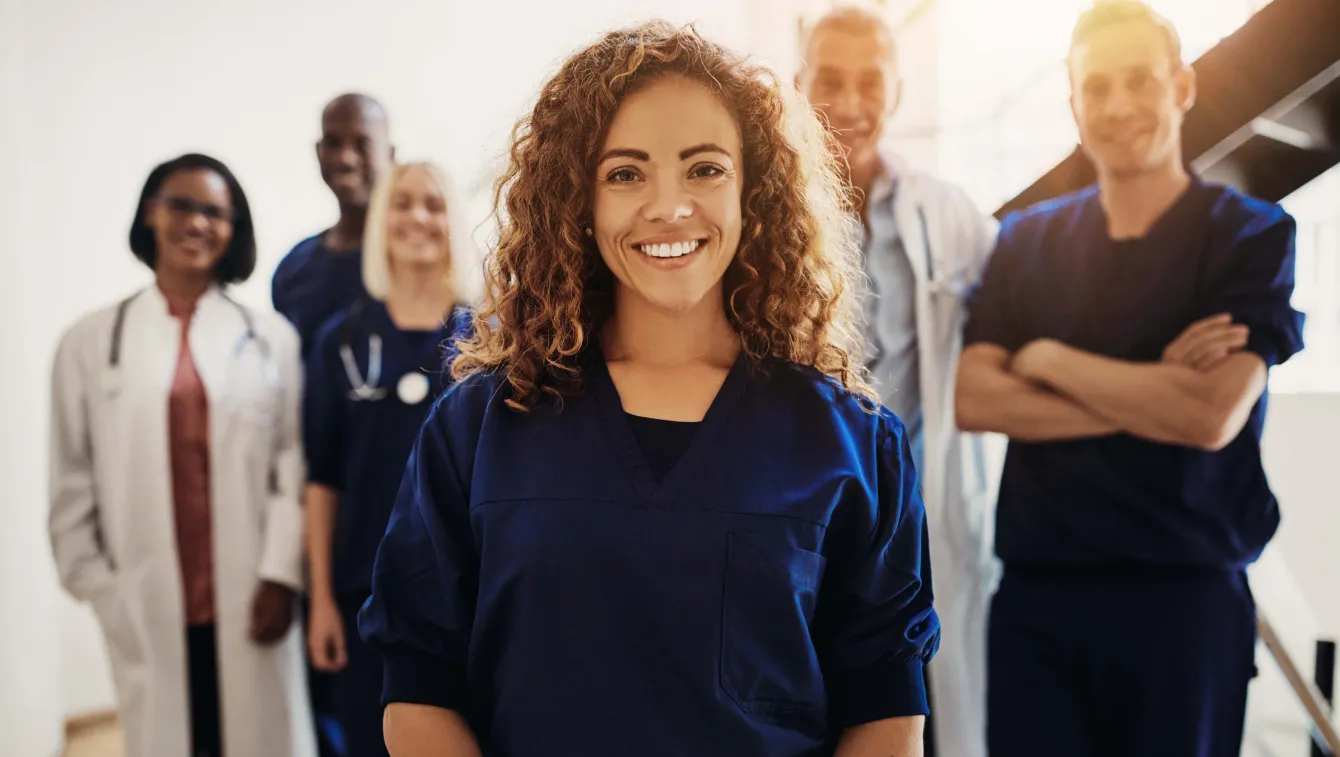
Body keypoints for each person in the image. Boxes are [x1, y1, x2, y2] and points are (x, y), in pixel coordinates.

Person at [358, 21, 939, 757]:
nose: (669, 207)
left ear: (753, 190)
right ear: (577, 200)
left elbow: (886, 713)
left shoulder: (854, 446)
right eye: (625, 173)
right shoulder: (479, 430)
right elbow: (419, 689)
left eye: (705, 169)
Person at [954, 3, 1305, 756]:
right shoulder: (1026, 242)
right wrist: (1155, 393)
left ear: (1181, 86)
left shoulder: (1252, 236)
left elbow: (1211, 416)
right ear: (1073, 105)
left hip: (1183, 602)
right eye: (1096, 87)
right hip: (1038, 603)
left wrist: (1049, 362)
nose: (1117, 106)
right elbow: (973, 396)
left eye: (1139, 80)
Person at [48, 153, 314, 757]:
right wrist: (103, 590)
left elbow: (290, 462)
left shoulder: (269, 337)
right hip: (144, 601)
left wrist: (278, 574)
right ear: (151, 213)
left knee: (257, 737)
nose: (198, 222)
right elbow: (70, 480)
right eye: (182, 205)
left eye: (216, 212)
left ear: (234, 228)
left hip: (252, 596)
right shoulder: (90, 343)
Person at [794, 7, 998, 757]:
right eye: (830, 80)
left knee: (916, 719)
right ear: (797, 83)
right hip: (804, 509)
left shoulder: (949, 215)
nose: (849, 103)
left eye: (869, 82)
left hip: (921, 517)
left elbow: (1022, 316)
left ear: (897, 91)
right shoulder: (756, 209)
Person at [303, 161, 476, 757]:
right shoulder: (341, 341)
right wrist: (322, 599)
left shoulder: (491, 340)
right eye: (402, 203)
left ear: (455, 221)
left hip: (467, 598)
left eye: (433, 203)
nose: (418, 218)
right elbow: (322, 479)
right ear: (380, 220)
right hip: (361, 594)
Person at [273, 93, 396, 356]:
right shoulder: (292, 269)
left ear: (390, 155)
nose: (345, 158)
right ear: (318, 152)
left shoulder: (419, 261)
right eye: (333, 143)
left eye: (362, 144)